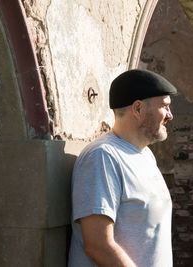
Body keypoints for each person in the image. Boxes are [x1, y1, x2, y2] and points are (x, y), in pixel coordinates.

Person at [68, 69, 177, 267]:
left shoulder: (145, 154)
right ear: (138, 109)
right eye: (165, 106)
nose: (170, 115)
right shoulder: (103, 157)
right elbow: (98, 245)